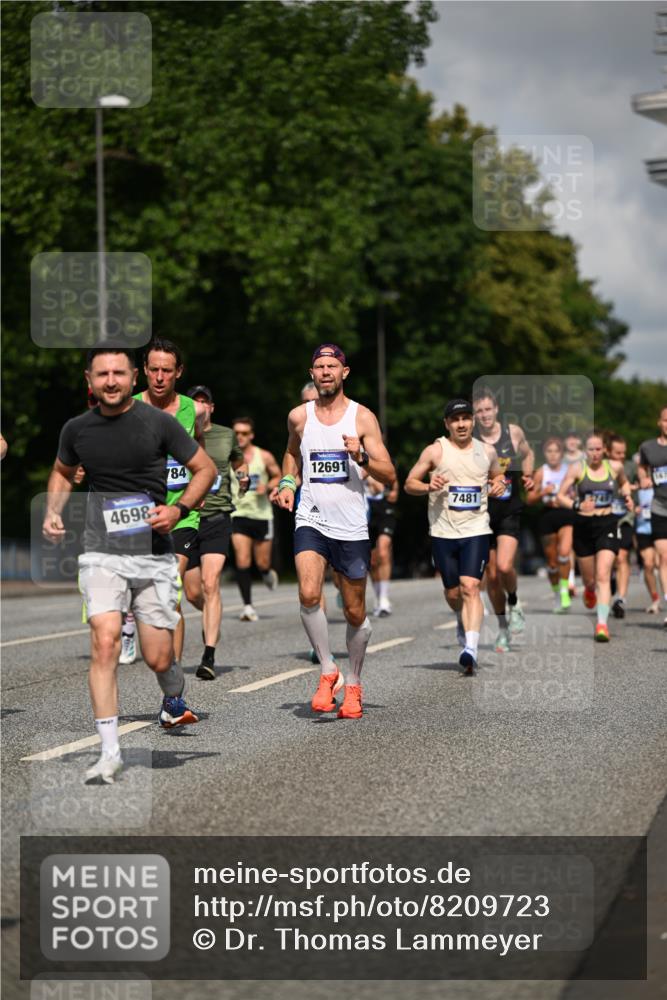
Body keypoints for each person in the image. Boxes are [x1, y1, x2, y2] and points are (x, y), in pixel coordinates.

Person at [42, 348, 216, 784]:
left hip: (153, 553)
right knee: (105, 643)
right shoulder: (77, 429)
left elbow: (204, 469)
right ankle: (110, 751)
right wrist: (53, 510)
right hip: (101, 550)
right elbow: (63, 473)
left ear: (131, 375)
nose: (112, 380)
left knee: (159, 658)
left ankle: (173, 687)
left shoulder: (157, 422)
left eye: (120, 372)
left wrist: (179, 511)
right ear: (90, 379)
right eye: (102, 373)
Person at [273, 343, 395, 718]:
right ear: (312, 373)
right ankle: (328, 669)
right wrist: (288, 483)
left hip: (351, 526)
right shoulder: (299, 416)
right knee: (309, 593)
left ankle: (353, 683)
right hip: (311, 516)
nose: (325, 372)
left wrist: (361, 456)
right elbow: (292, 453)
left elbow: (389, 474)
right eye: (319, 366)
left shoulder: (362, 418)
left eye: (332, 366)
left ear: (345, 373)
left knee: (356, 612)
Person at [405, 399, 506, 674]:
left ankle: (470, 648)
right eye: (455, 419)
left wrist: (498, 485)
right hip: (442, 532)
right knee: (453, 593)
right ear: (447, 424)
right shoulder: (436, 451)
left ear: (473, 421)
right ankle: (463, 621)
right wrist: (427, 485)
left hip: (476, 530)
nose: (461, 424)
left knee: (471, 587)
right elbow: (408, 484)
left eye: (465, 418)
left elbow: (499, 477)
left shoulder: (486, 451)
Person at [133, 338, 207, 663]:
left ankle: (173, 694)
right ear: (143, 372)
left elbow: (199, 447)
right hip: (140, 515)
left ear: (179, 372)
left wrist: (199, 486)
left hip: (181, 514)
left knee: (169, 589)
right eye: (154, 370)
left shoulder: (192, 409)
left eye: (167, 370)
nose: (160, 377)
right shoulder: (127, 406)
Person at [183, 386, 248, 680]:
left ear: (211, 407)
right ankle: (211, 618)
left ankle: (208, 655)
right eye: (194, 402)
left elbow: (239, 462)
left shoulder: (225, 435)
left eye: (204, 402)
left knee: (211, 584)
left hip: (217, 516)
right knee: (193, 592)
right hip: (186, 519)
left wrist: (244, 477)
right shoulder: (177, 433)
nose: (199, 407)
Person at [472, 387, 534, 652]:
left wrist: (529, 475)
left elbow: (528, 453)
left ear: (496, 409)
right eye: (479, 411)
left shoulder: (513, 432)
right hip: (482, 514)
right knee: (492, 576)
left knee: (506, 566)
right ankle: (502, 629)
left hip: (509, 508)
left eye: (488, 409)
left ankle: (515, 602)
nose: (484, 415)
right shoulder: (471, 440)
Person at [557, 430, 633, 641]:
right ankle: (590, 590)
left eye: (598, 449)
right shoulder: (577, 469)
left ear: (605, 450)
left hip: (607, 522)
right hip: (583, 525)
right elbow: (560, 495)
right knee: (590, 581)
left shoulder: (615, 467)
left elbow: (624, 483)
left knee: (603, 575)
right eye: (590, 449)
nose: (595, 453)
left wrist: (627, 496)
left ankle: (602, 625)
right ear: (585, 451)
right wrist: (577, 504)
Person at [231, 417, 282, 621]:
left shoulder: (265, 456)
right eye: (236, 433)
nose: (240, 437)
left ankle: (267, 572)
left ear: (251, 435)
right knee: (242, 559)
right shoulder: (229, 456)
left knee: (262, 562)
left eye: (244, 433)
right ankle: (248, 606)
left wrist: (268, 486)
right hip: (238, 513)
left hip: (261, 515)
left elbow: (278, 475)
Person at [525, 437, 573, 613]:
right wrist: (543, 492)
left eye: (556, 451)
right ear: (545, 454)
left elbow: (578, 492)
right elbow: (529, 499)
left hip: (566, 514)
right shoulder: (541, 472)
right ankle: (557, 595)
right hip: (547, 515)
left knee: (564, 553)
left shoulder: (569, 471)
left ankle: (565, 590)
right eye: (549, 451)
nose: (553, 455)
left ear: (562, 453)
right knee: (552, 563)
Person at [638, 406, 667, 626]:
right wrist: (643, 480)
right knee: (663, 557)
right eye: (666, 420)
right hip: (659, 507)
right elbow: (642, 468)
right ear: (659, 422)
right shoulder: (648, 447)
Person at [605, 433, 637, 619]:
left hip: (625, 517)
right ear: (608, 452)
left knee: (622, 556)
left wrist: (636, 489)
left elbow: (640, 482)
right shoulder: (599, 469)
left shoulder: (630, 467)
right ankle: (609, 585)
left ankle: (620, 599)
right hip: (605, 518)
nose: (621, 456)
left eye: (624, 453)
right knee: (609, 559)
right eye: (617, 453)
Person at [365, 472, 399, 616]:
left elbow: (392, 490)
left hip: (383, 509)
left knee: (383, 552)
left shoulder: (382, 458)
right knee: (372, 561)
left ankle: (384, 599)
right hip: (364, 509)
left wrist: (390, 490)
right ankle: (378, 596)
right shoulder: (352, 458)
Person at [634, 482, 660, 613]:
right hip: (643, 529)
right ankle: (655, 599)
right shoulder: (635, 486)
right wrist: (633, 509)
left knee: (660, 563)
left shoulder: (661, 483)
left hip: (660, 529)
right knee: (648, 564)